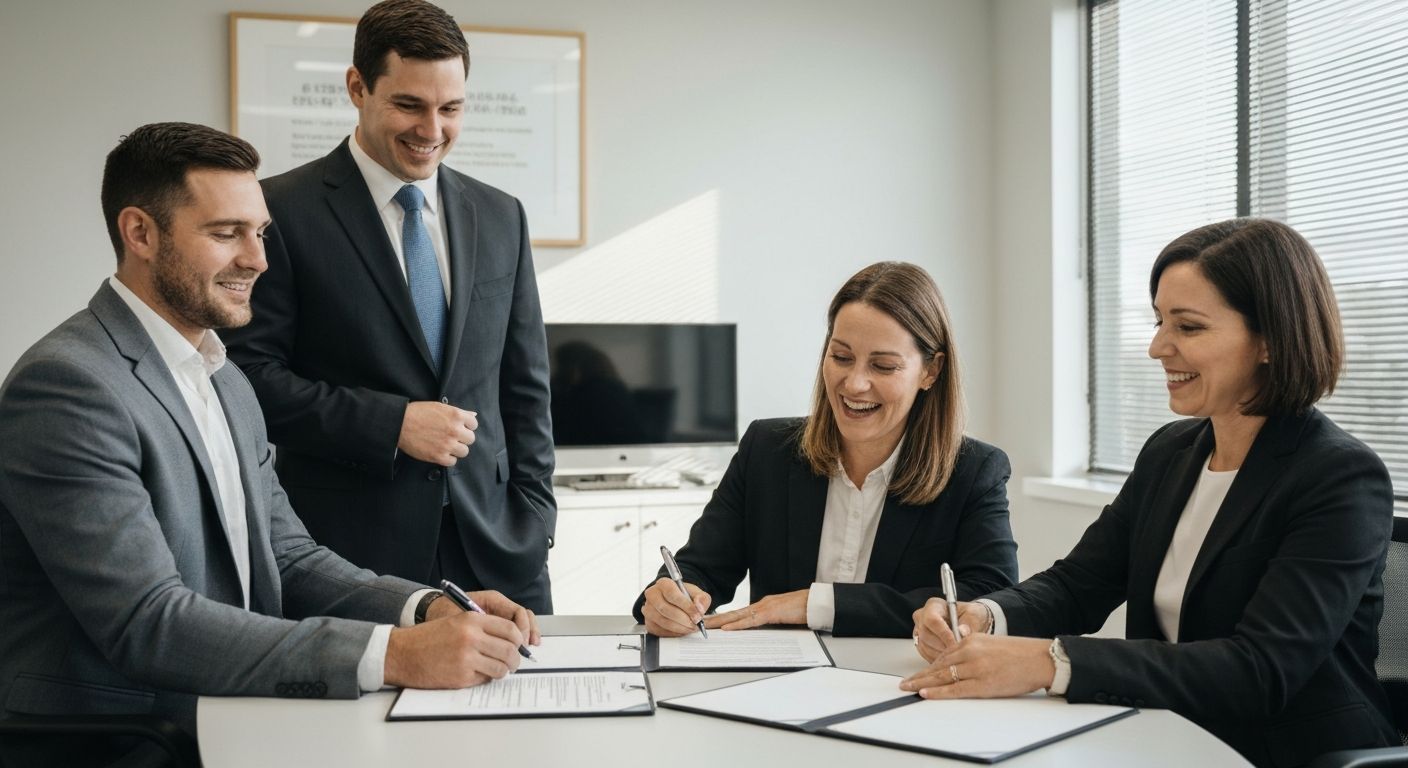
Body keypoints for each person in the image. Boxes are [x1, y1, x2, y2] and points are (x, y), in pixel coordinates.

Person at [0, 122, 540, 767]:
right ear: (140, 233)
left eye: (260, 233)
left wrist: (422, 607)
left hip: (231, 709)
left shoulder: (223, 375)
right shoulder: (69, 386)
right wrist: (394, 655)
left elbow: (287, 556)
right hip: (126, 736)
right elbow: (148, 622)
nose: (257, 259)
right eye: (226, 234)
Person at [906, 219, 1397, 767]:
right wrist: (985, 616)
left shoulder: (1340, 477)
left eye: (1187, 327)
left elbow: (1259, 670)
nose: (1157, 346)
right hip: (1161, 734)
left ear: (1268, 341)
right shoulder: (1172, 450)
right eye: (1160, 320)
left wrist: (1049, 661)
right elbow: (1079, 584)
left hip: (1283, 753)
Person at [223, 0, 556, 612]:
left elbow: (525, 383)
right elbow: (247, 382)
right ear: (357, 87)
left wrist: (536, 519)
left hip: (501, 548)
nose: (432, 130)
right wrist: (391, 424)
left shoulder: (501, 214)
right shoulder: (279, 212)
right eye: (409, 105)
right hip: (349, 556)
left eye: (450, 109)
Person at [633, 262, 1018, 637]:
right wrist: (669, 599)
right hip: (775, 685)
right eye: (841, 357)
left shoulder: (974, 471)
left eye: (883, 366)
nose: (854, 384)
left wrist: (815, 605)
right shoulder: (767, 450)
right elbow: (699, 570)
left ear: (930, 371)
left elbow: (989, 600)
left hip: (898, 685)